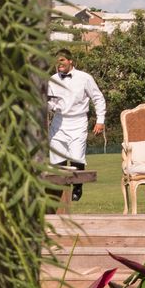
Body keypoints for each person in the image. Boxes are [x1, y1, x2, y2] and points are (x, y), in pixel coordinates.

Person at [46, 49, 106, 201]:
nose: (59, 64)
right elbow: (50, 103)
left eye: (62, 60)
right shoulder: (52, 80)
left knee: (76, 157)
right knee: (57, 158)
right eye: (57, 61)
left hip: (78, 121)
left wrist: (100, 120)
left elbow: (98, 98)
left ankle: (77, 188)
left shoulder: (84, 78)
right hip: (59, 121)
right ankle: (59, 193)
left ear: (70, 61)